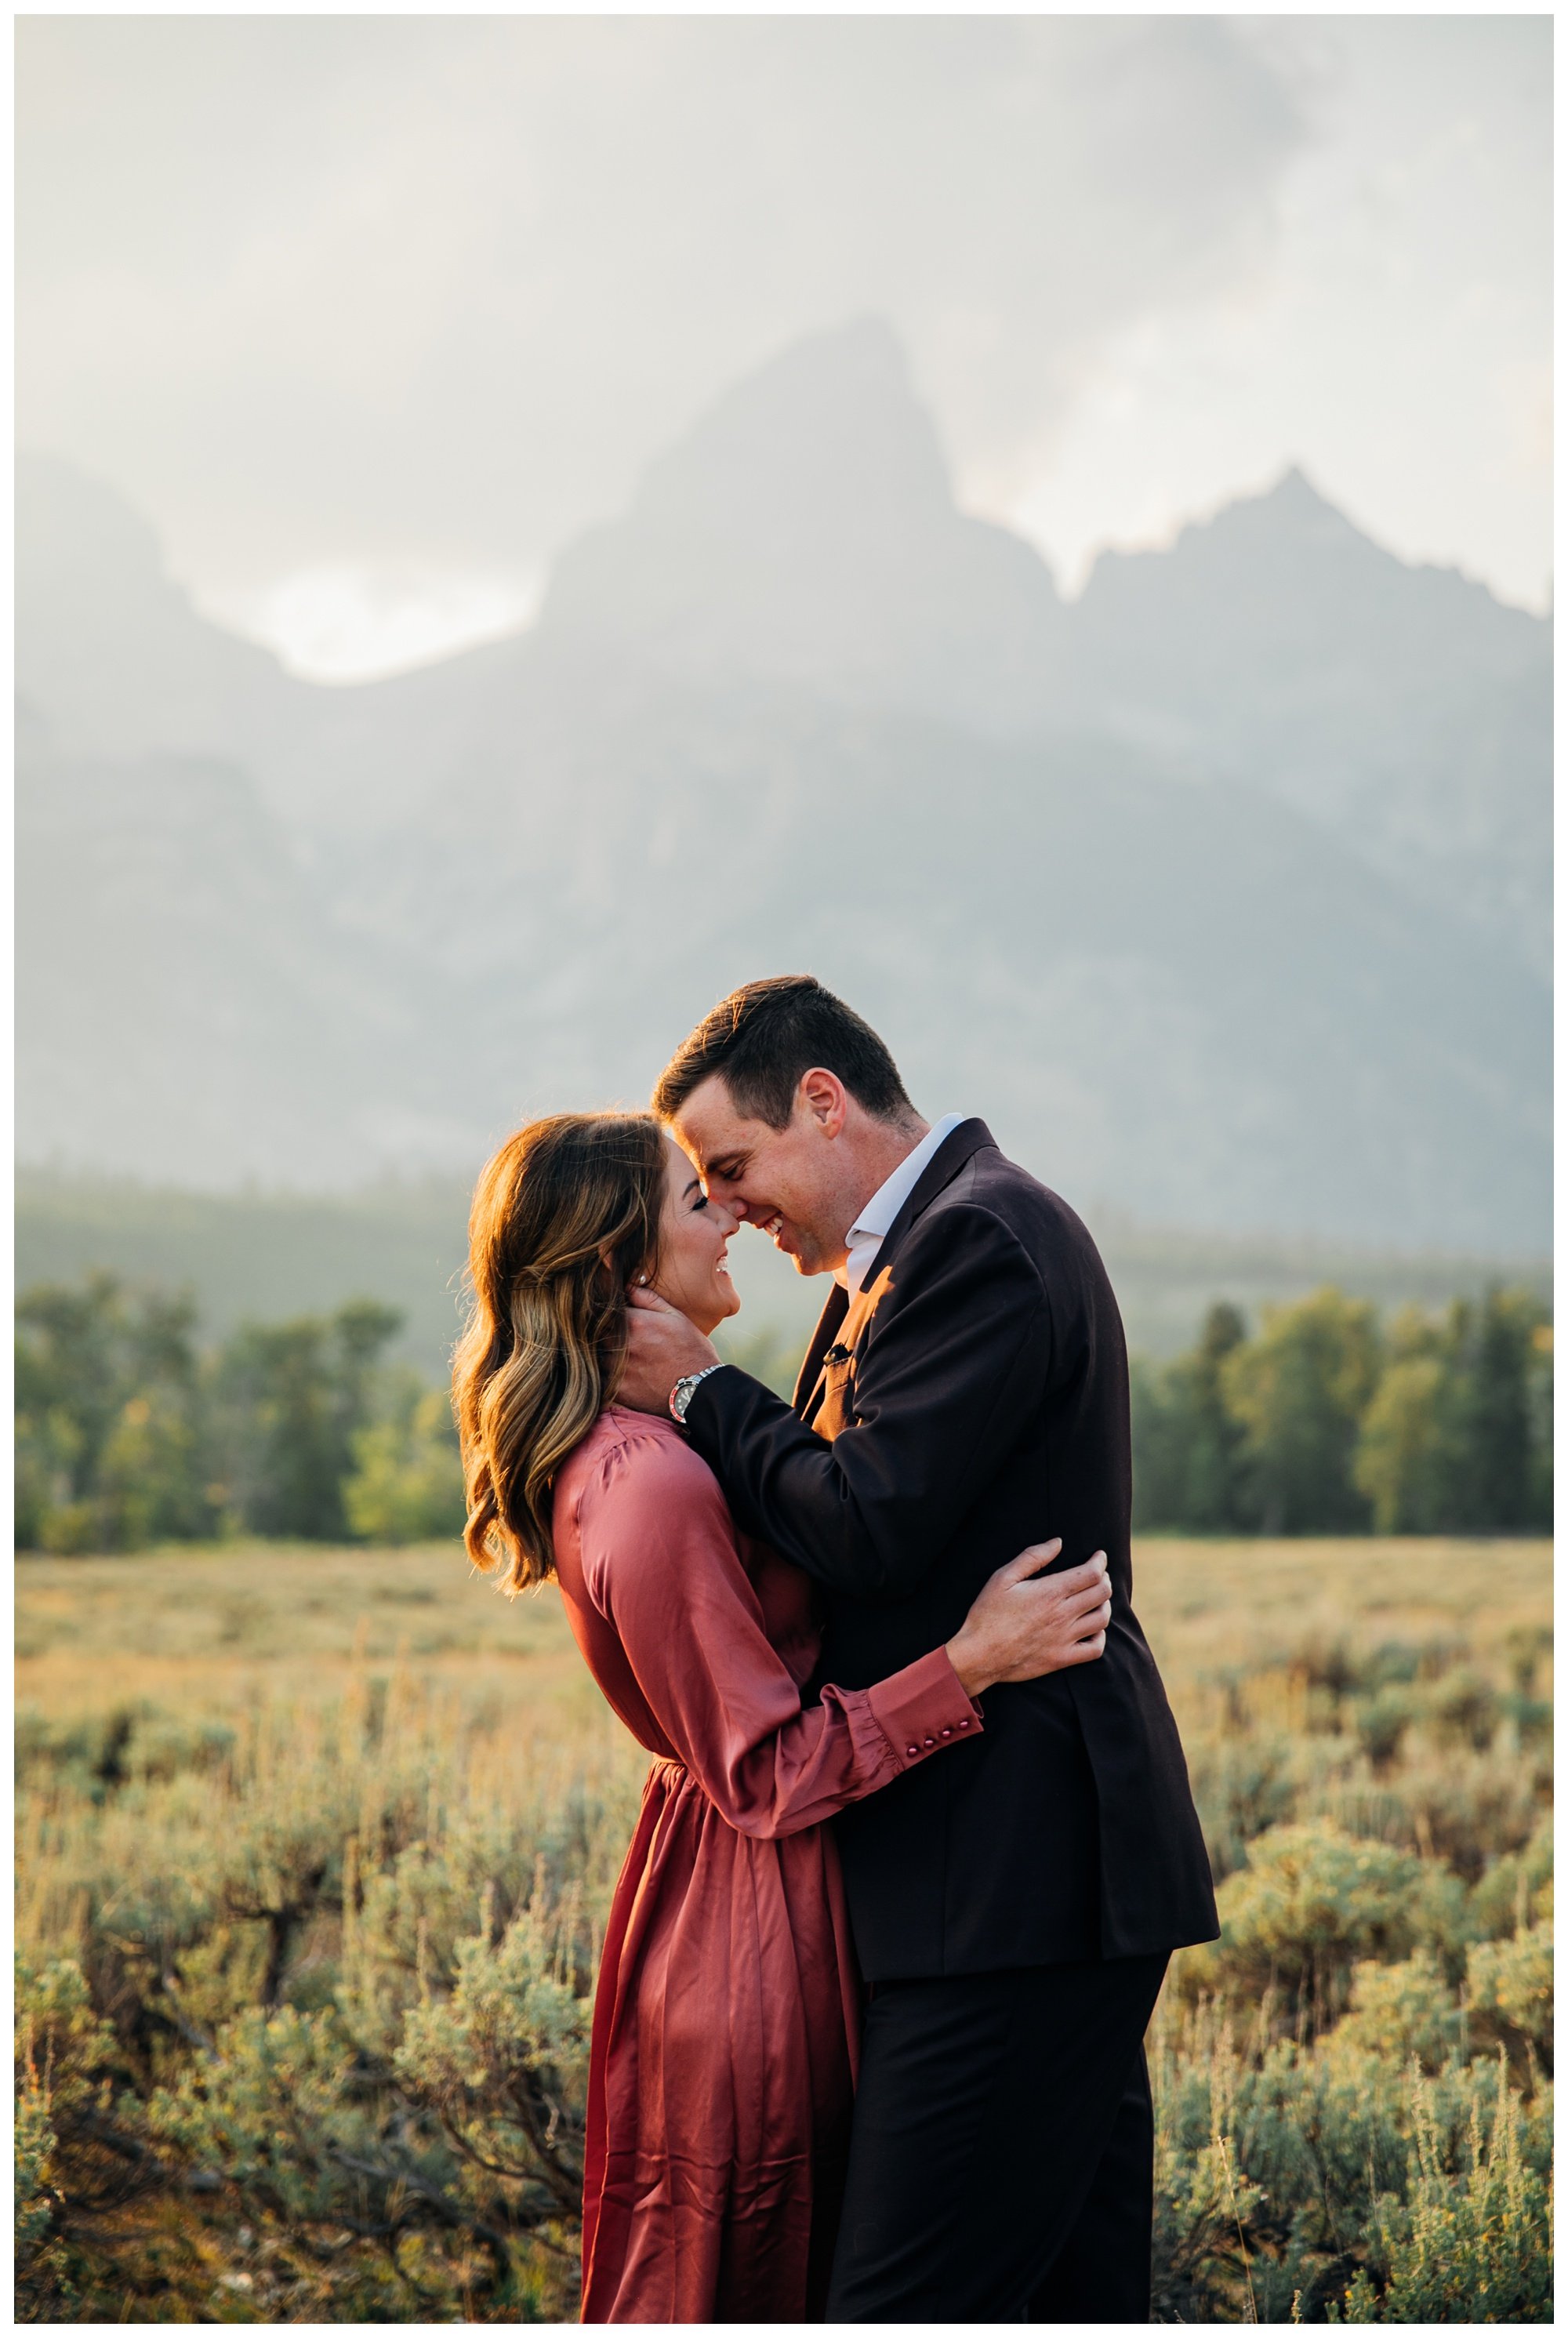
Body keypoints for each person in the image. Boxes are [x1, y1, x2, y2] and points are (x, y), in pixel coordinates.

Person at [619, 974, 1220, 2322]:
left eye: (734, 1165)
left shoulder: (981, 1240)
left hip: (1017, 1882)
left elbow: (872, 1522)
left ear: (822, 1103)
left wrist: (705, 1391)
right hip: (998, 1880)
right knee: (1068, 2296)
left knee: (898, 2301)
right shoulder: (910, 1253)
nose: (729, 1206)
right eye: (703, 1188)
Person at [452, 1109, 1116, 2323]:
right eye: (696, 1202)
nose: (732, 1224)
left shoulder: (665, 1442)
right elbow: (764, 1772)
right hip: (750, 1916)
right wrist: (970, 1662)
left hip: (794, 1890)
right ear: (621, 1266)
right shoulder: (643, 1484)